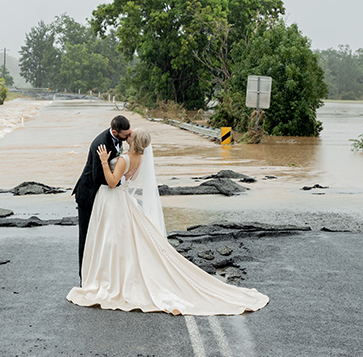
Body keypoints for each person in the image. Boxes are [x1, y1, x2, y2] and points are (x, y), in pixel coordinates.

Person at [67, 128, 269, 315]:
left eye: (130, 136)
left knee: (112, 241)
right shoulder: (141, 157)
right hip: (124, 200)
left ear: (134, 142)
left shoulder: (126, 158)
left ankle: (110, 279)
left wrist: (103, 160)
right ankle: (115, 275)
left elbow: (112, 182)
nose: (127, 137)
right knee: (126, 242)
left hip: (115, 200)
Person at [72, 115, 132, 280]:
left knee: (103, 236)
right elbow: (98, 177)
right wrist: (121, 178)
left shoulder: (118, 138)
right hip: (88, 195)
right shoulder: (101, 143)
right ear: (114, 132)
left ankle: (102, 273)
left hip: (104, 196)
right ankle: (84, 277)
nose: (129, 137)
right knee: (86, 237)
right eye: (126, 135)